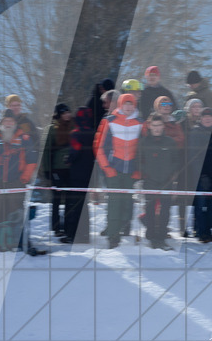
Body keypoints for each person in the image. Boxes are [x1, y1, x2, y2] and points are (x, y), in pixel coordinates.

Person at [0, 111, 38, 251]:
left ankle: (15, 241)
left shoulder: (24, 138)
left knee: (15, 212)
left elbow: (32, 161)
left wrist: (24, 177)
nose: (8, 123)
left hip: (16, 182)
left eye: (11, 121)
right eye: (6, 121)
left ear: (15, 123)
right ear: (1, 122)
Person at [95, 91, 143, 249]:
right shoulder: (109, 121)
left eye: (131, 104)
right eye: (126, 104)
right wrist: (107, 168)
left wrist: (139, 170)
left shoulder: (140, 122)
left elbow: (144, 149)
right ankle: (113, 236)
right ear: (121, 105)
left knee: (127, 204)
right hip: (113, 169)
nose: (128, 107)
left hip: (131, 171)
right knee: (115, 203)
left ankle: (119, 229)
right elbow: (98, 146)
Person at [138, 113, 180, 250]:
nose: (157, 128)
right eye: (154, 125)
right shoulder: (144, 142)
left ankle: (161, 236)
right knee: (149, 210)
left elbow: (177, 161)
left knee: (165, 211)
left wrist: (171, 172)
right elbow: (137, 161)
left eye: (159, 125)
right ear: (149, 126)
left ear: (163, 126)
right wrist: (146, 172)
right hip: (149, 181)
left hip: (166, 181)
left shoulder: (169, 142)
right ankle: (151, 235)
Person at [185, 108, 212, 243]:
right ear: (200, 119)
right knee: (201, 206)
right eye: (205, 116)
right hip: (202, 177)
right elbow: (193, 157)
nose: (207, 119)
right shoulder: (196, 132)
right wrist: (201, 176)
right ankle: (201, 232)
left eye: (210, 116)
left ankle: (209, 232)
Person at [62, 107, 96, 244]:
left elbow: (74, 152)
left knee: (75, 205)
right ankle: (85, 235)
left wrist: (67, 159)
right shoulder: (94, 133)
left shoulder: (76, 133)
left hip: (76, 174)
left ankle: (73, 235)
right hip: (89, 174)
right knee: (84, 205)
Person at [43, 103, 74, 238]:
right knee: (56, 199)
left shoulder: (73, 127)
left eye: (68, 112)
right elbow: (46, 151)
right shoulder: (51, 129)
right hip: (56, 168)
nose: (67, 115)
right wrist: (47, 170)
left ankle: (67, 226)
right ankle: (56, 227)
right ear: (59, 114)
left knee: (68, 199)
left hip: (70, 169)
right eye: (64, 113)